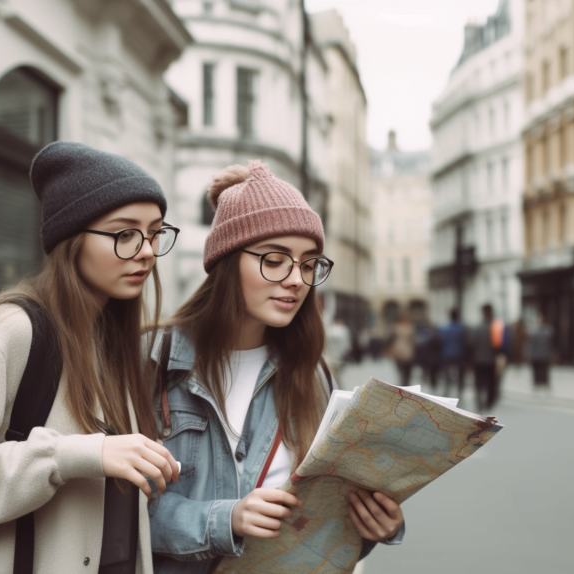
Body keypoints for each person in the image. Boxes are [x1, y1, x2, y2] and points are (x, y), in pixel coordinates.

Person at [0, 142, 180, 574]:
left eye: (155, 233)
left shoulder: (110, 339)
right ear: (72, 239)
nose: (146, 250)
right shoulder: (9, 330)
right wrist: (71, 455)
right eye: (124, 234)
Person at [148, 161, 404, 573]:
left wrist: (372, 527)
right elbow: (114, 514)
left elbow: (318, 530)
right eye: (275, 259)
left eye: (308, 264)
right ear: (228, 261)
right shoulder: (153, 360)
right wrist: (226, 520)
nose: (296, 279)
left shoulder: (314, 375)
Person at [470, 304, 506, 411]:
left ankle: (479, 400)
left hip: (478, 360)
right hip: (491, 360)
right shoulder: (497, 327)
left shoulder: (477, 328)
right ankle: (488, 403)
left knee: (478, 382)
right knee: (491, 382)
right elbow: (501, 345)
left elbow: (472, 344)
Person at [437, 308, 467, 397]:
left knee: (446, 373)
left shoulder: (444, 328)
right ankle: (459, 390)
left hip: (446, 353)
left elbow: (440, 341)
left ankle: (447, 389)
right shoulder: (462, 328)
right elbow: (465, 342)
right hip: (459, 354)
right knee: (460, 374)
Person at [388, 314, 416, 387]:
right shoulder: (396, 328)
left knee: (407, 372)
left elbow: (413, 342)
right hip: (400, 352)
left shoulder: (410, 328)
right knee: (402, 371)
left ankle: (405, 384)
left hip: (408, 353)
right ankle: (404, 384)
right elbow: (391, 340)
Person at [413, 319, 442, 391]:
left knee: (429, 372)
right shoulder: (436, 336)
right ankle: (432, 385)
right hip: (433, 358)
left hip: (427, 357)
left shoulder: (424, 337)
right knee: (432, 373)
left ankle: (429, 383)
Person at [529, 313, 553, 390]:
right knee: (537, 370)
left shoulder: (547, 331)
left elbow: (550, 343)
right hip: (536, 354)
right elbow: (532, 344)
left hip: (544, 354)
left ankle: (544, 382)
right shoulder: (535, 331)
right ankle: (537, 382)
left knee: (544, 370)